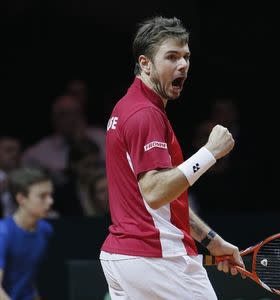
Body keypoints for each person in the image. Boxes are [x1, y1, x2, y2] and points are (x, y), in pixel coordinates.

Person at [99, 16, 244, 299]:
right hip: (158, 260)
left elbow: (166, 200)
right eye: (172, 57)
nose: (182, 65)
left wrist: (211, 240)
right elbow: (154, 192)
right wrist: (209, 153)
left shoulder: (130, 105)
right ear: (145, 63)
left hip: (124, 258)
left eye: (186, 57)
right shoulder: (145, 115)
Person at [0, 167, 54, 300]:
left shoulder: (45, 230)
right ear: (21, 198)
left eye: (50, 195)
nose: (50, 201)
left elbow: (28, 277)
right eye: (42, 196)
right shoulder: (3, 233)